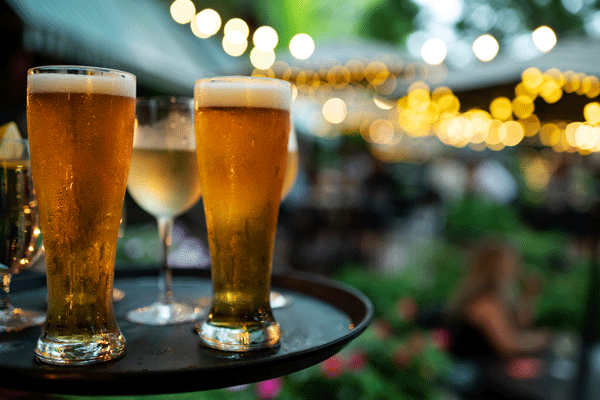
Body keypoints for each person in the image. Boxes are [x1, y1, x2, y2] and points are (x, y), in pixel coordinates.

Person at [447, 237, 550, 361]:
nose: (519, 267)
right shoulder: (485, 301)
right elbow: (508, 345)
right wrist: (540, 340)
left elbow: (521, 323)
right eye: (512, 262)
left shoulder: (500, 294)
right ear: (496, 266)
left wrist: (531, 294)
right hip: (474, 370)